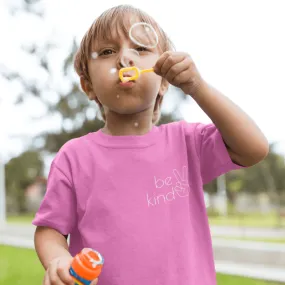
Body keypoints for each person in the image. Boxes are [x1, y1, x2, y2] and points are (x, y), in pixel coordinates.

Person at [33, 4, 269, 285]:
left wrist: (198, 87)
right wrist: (59, 260)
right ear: (88, 86)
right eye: (108, 52)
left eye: (141, 49)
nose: (125, 59)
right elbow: (50, 229)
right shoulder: (74, 157)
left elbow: (253, 148)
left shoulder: (187, 143)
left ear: (165, 80)